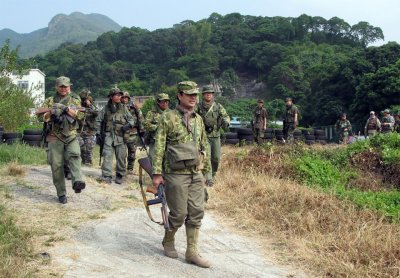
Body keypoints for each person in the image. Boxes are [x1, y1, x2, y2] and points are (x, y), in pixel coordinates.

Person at [152, 81, 211, 268]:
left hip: (195, 172)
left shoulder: (198, 119)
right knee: (178, 213)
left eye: (196, 94)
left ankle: (191, 251)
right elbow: (159, 146)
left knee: (196, 212)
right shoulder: (167, 117)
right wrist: (156, 173)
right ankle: (168, 241)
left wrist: (206, 172)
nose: (194, 98)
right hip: (175, 173)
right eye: (189, 94)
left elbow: (205, 145)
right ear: (179, 95)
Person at [40, 76, 86, 204]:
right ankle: (61, 193)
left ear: (69, 87)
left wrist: (65, 109)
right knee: (56, 166)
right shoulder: (49, 101)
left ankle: (77, 181)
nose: (64, 89)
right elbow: (41, 117)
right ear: (56, 87)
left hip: (70, 135)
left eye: (66, 86)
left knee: (75, 156)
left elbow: (80, 115)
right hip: (54, 136)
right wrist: (52, 112)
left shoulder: (74, 99)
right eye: (61, 86)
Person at [95, 87, 136, 184]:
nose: (119, 97)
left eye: (120, 95)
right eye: (117, 95)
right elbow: (98, 120)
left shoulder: (123, 107)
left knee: (121, 156)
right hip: (108, 135)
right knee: (107, 155)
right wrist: (98, 133)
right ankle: (106, 175)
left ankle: (120, 174)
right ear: (111, 96)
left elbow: (131, 120)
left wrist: (128, 125)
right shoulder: (105, 108)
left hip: (120, 135)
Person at [197, 85, 230, 186]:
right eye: (206, 93)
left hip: (215, 135)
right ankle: (209, 178)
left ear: (212, 95)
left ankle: (213, 174)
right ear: (203, 95)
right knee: (206, 157)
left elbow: (226, 116)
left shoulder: (218, 106)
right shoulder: (198, 107)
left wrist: (226, 121)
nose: (208, 95)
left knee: (216, 158)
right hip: (204, 136)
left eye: (210, 93)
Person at [121, 91, 145, 173]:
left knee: (132, 152)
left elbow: (140, 117)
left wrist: (142, 130)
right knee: (122, 153)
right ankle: (122, 168)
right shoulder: (118, 107)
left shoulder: (134, 106)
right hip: (121, 133)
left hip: (132, 133)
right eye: (123, 98)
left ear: (128, 98)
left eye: (126, 98)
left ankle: (130, 169)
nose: (124, 99)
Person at [143, 93, 170, 161]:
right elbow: (146, 124)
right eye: (163, 101)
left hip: (168, 142)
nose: (165, 103)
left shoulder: (171, 113)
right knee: (154, 161)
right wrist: (157, 127)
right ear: (158, 102)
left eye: (166, 101)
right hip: (155, 141)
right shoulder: (151, 113)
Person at [77, 89, 98, 165]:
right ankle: (83, 161)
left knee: (89, 148)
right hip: (79, 130)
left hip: (90, 131)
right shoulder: (78, 104)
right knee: (80, 147)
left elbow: (97, 113)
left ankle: (88, 163)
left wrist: (90, 105)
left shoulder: (92, 105)